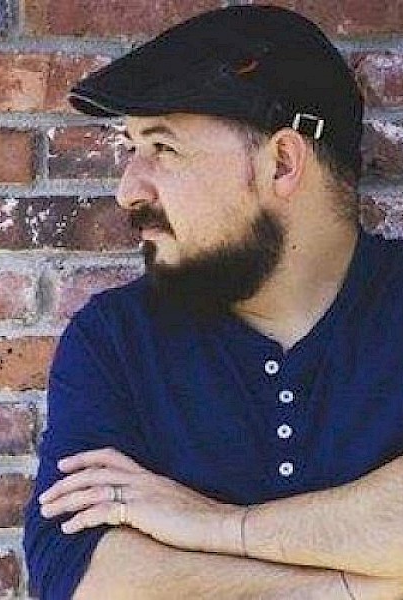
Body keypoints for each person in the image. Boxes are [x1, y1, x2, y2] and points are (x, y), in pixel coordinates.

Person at [24, 6, 403, 599]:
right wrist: (359, 588)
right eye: (129, 146)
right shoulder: (115, 342)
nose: (128, 190)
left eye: (163, 148)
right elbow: (91, 581)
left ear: (281, 162)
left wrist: (210, 525)